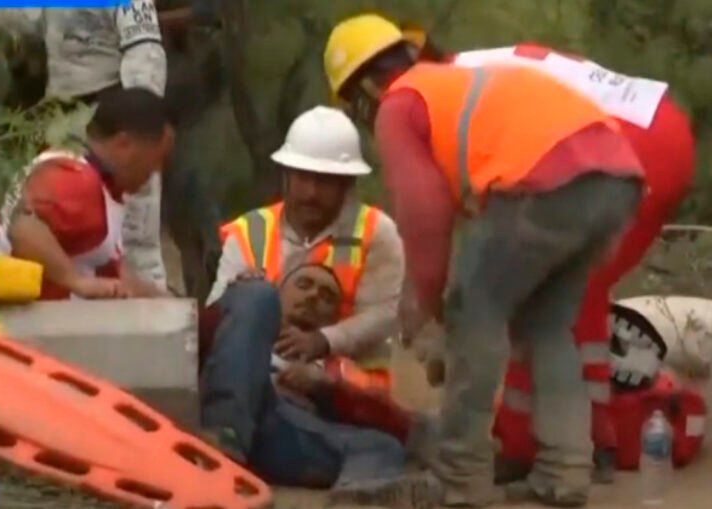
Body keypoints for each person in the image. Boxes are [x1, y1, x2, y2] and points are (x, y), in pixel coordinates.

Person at [323, 13, 646, 508]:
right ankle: (565, 471)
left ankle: (460, 478)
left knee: (475, 311)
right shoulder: (456, 82)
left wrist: (429, 306)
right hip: (616, 179)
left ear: (364, 86)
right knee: (545, 326)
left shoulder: (401, 102)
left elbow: (423, 214)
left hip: (545, 183)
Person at [398, 31, 696, 484]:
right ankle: (590, 443)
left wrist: (430, 305)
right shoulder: (475, 67)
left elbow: (431, 212)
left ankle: (524, 445)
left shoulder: (429, 94)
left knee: (525, 298)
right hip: (655, 133)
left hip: (615, 144)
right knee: (573, 301)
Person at [0, 5, 170, 291]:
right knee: (78, 216)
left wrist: (141, 125)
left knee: (132, 229)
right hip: (64, 114)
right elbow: (24, 18)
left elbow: (146, 58)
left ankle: (152, 317)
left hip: (113, 111)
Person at [208, 105, 404, 377]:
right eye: (302, 178)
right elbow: (217, 311)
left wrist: (323, 341)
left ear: (347, 185)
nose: (311, 193)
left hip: (347, 390)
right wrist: (238, 297)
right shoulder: (250, 230)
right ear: (286, 176)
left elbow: (383, 315)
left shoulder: (376, 232)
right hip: (262, 376)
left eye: (325, 182)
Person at [199, 262, 407, 494]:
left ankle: (353, 500)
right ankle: (224, 443)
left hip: (286, 431)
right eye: (304, 285)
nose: (313, 295)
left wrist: (326, 386)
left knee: (383, 446)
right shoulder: (241, 323)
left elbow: (394, 421)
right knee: (255, 291)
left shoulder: (338, 367)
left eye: (327, 297)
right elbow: (189, 336)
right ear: (279, 293)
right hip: (230, 408)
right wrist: (241, 295)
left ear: (334, 319)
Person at [0, 88, 174, 300]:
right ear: (124, 144)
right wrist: (77, 281)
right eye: (157, 158)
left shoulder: (100, 186)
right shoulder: (76, 179)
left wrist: (167, 302)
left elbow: (115, 275)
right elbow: (20, 226)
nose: (156, 170)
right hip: (2, 320)